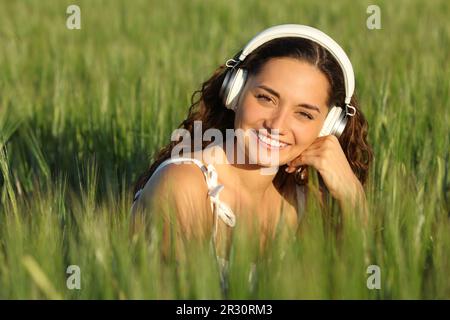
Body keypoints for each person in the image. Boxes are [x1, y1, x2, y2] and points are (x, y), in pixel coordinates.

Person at [130, 24, 373, 266]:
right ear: (234, 92)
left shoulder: (303, 201)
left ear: (327, 128)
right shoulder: (185, 185)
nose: (277, 125)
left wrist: (354, 198)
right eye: (266, 98)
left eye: (304, 114)